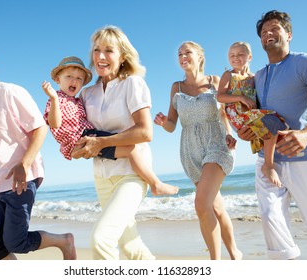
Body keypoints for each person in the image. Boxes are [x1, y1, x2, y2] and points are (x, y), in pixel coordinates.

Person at [0, 46, 76, 260]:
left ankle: (64, 241)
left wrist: (25, 163)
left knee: (16, 242)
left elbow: (40, 127)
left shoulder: (10, 92)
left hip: (19, 180)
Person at [238, 10, 307, 259]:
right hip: (267, 161)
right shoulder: (257, 77)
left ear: (288, 34)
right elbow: (259, 118)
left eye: (275, 28)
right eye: (264, 31)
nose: (268, 33)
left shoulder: (306, 62)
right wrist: (248, 132)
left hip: (304, 156)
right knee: (272, 223)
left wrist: (306, 134)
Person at [70, 26, 156, 260]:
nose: (100, 56)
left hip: (132, 174)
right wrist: (79, 148)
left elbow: (145, 132)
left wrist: (100, 142)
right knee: (130, 246)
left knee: (101, 240)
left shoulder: (133, 84)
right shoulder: (87, 94)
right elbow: (81, 133)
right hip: (102, 177)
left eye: (109, 50)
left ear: (123, 56)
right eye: (97, 50)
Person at [154, 41, 242, 260]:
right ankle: (235, 254)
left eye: (188, 52)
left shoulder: (214, 81)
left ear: (200, 56)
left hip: (217, 143)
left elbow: (224, 112)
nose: (183, 57)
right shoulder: (177, 87)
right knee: (215, 207)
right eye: (179, 54)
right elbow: (172, 125)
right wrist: (163, 122)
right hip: (190, 150)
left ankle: (215, 264)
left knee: (201, 205)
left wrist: (230, 133)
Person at [42, 56, 178, 196]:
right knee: (130, 150)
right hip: (84, 138)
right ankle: (155, 184)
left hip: (90, 135)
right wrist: (53, 99)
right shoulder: (56, 99)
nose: (74, 80)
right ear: (58, 79)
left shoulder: (78, 100)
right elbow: (55, 124)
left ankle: (154, 183)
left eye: (79, 79)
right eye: (69, 76)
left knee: (131, 148)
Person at [217, 42, 288, 187]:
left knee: (278, 124)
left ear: (249, 57)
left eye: (240, 54)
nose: (235, 58)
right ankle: (268, 165)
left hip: (249, 113)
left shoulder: (253, 77)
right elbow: (220, 97)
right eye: (232, 55)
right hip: (236, 114)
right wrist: (241, 98)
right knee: (272, 121)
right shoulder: (228, 75)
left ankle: (272, 162)